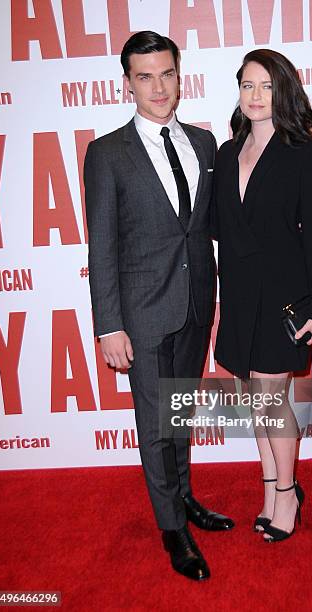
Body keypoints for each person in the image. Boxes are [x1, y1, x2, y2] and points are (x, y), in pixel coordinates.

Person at [84, 31, 234, 581]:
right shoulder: (106, 153)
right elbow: (102, 245)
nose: (158, 87)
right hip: (141, 314)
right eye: (145, 77)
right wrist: (109, 326)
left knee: (179, 414)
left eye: (167, 73)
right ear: (127, 83)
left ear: (180, 75)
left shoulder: (204, 143)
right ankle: (173, 530)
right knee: (154, 421)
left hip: (196, 304)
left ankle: (186, 498)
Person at [212, 49, 312, 542]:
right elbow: (222, 227)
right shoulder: (226, 153)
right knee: (254, 400)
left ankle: (287, 492)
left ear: (284, 90)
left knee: (268, 399)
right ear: (238, 93)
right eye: (247, 85)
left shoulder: (304, 153)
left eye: (266, 86)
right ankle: (271, 486)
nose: (256, 96)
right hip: (240, 295)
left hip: (286, 296)